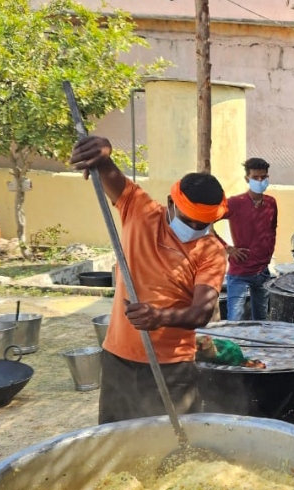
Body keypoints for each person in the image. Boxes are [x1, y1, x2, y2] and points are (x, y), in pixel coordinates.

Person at [70, 135, 228, 425]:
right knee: (116, 437)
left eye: (202, 224)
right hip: (119, 356)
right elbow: (109, 172)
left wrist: (161, 316)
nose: (194, 228)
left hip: (173, 367)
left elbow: (202, 312)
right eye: (188, 218)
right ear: (171, 203)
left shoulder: (211, 251)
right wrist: (103, 154)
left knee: (173, 443)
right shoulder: (140, 211)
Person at [215, 157, 278, 321]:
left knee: (262, 321)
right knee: (235, 320)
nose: (260, 180)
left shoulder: (271, 203)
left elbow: (272, 230)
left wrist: (268, 254)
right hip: (239, 273)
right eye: (256, 177)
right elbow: (207, 223)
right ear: (247, 179)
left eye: (264, 177)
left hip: (263, 272)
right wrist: (228, 248)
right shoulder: (235, 203)